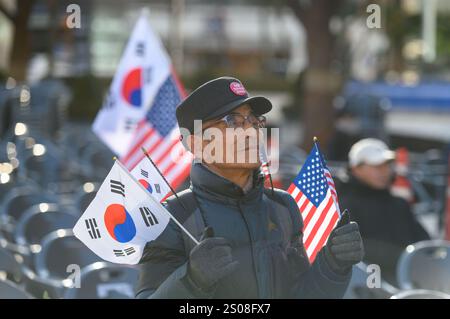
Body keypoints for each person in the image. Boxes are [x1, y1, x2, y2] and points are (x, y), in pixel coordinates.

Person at [135, 77, 364, 299]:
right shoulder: (172, 218)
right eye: (232, 121)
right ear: (197, 143)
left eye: (254, 121)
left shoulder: (283, 207)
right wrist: (191, 281)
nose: (252, 132)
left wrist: (333, 265)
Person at [336, 138, 430, 285]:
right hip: (368, 285)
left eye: (386, 165)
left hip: (409, 281)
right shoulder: (345, 206)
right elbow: (354, 252)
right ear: (356, 169)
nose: (384, 171)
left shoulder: (400, 203)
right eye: (376, 166)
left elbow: (424, 242)